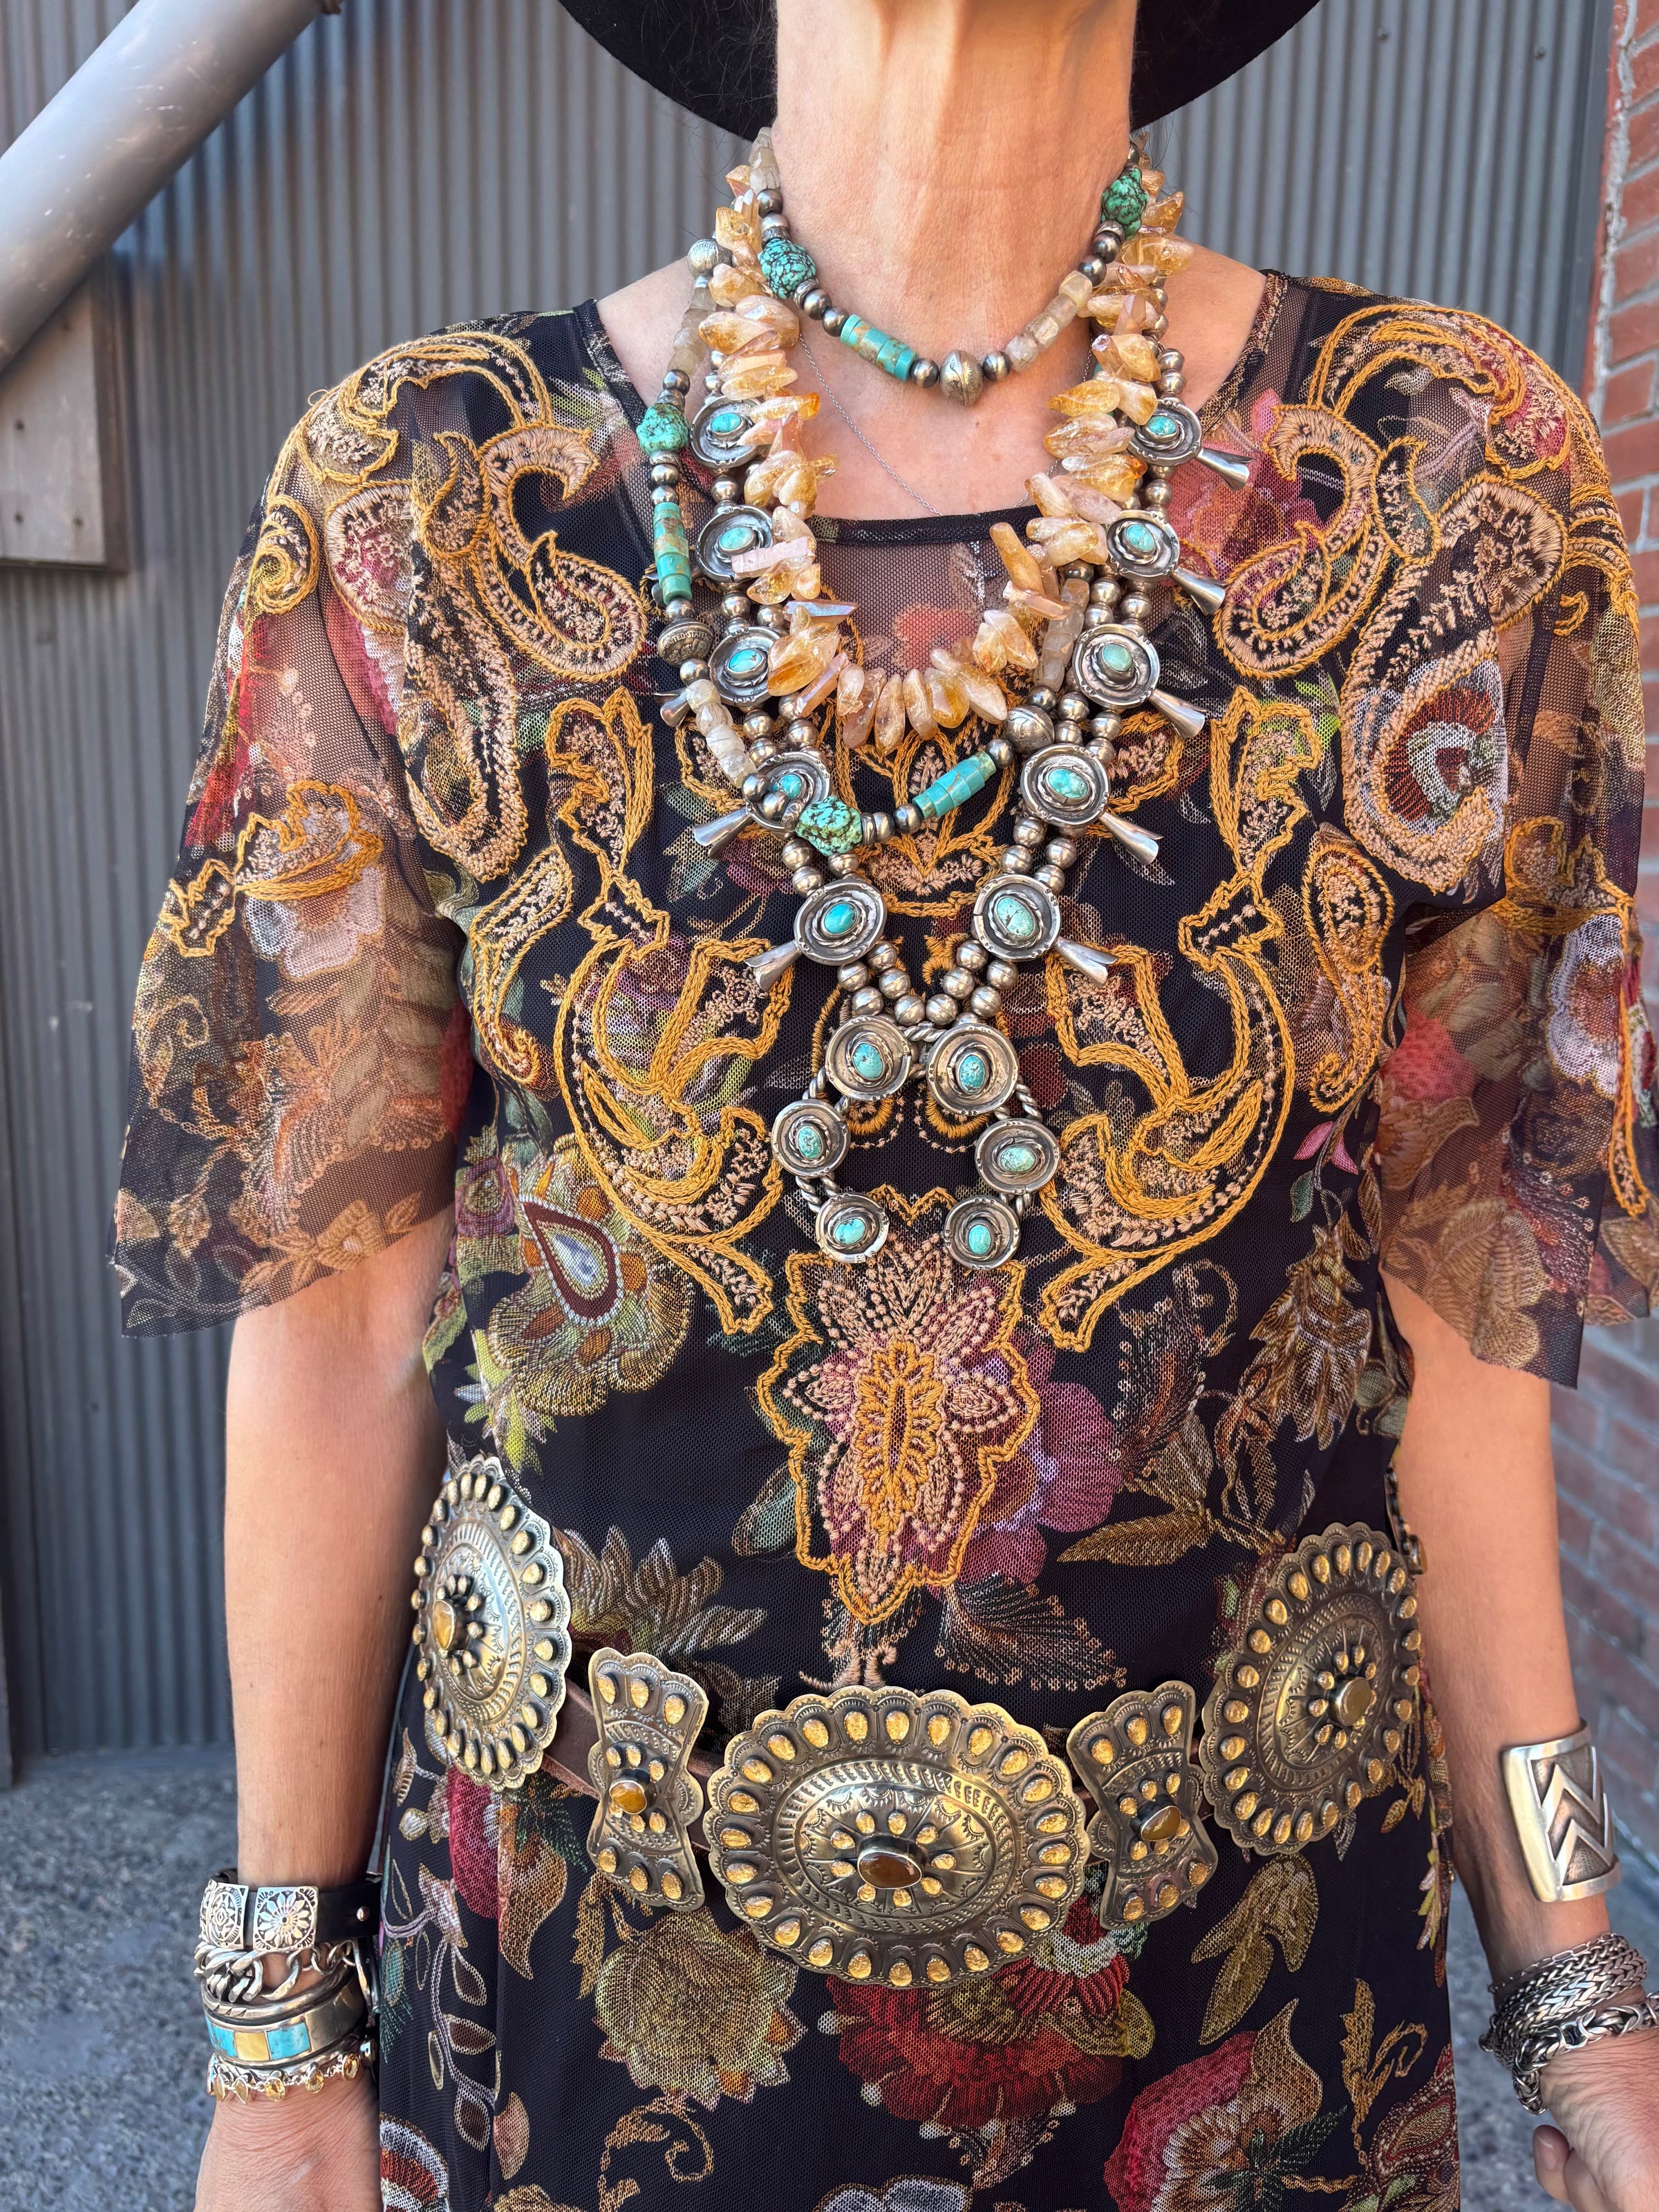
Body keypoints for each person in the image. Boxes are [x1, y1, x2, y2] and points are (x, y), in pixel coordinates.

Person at [110, 3, 1659, 2207]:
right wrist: (277, 2044)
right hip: (586, 2036)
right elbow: (341, 1326)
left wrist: (1580, 1995)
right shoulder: (427, 503)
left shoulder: (1443, 487)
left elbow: (1461, 1332)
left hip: (1249, 2026)